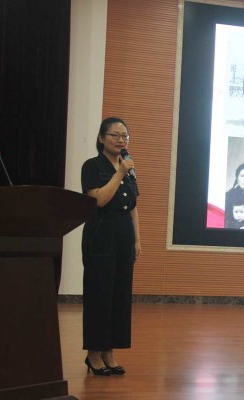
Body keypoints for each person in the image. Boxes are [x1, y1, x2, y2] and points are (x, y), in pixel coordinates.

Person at [81, 117, 141, 376]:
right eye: (115, 135)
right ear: (101, 138)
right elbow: (99, 201)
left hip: (124, 234)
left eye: (124, 135)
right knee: (99, 293)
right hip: (101, 233)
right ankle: (94, 353)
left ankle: (109, 351)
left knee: (119, 294)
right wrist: (119, 173)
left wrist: (137, 239)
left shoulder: (128, 167)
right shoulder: (92, 166)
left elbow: (133, 207)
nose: (121, 140)